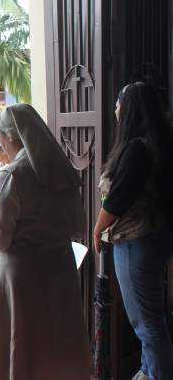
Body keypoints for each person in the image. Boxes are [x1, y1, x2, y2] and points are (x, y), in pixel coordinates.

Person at [0, 104, 91, 379]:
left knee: (23, 340)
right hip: (60, 266)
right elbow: (80, 227)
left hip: (22, 271)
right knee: (58, 338)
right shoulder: (63, 172)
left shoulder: (11, 175)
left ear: (10, 137)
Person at [93, 82, 173, 380]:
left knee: (145, 320)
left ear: (128, 108)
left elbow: (118, 199)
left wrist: (97, 228)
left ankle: (157, 374)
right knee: (152, 315)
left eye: (117, 102)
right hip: (155, 236)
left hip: (136, 239)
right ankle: (150, 369)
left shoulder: (138, 147)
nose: (115, 108)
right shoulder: (160, 142)